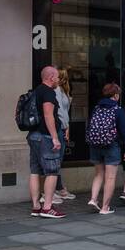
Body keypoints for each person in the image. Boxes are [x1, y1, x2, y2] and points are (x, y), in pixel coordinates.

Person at [86, 82, 125, 215]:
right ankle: (105, 207)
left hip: (95, 144)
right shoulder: (118, 110)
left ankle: (93, 199)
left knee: (98, 174)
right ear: (116, 95)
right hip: (112, 145)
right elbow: (124, 132)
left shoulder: (97, 108)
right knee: (110, 177)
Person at [28, 66, 65, 218]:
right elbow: (48, 115)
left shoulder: (36, 91)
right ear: (50, 77)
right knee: (52, 171)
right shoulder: (48, 92)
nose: (58, 80)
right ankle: (47, 207)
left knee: (35, 171)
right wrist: (55, 137)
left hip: (34, 135)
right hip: (45, 137)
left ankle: (36, 206)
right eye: (57, 77)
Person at [52, 66, 77, 203]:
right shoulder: (57, 90)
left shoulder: (62, 90)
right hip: (59, 128)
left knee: (58, 160)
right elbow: (61, 112)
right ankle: (55, 189)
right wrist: (66, 127)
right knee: (56, 160)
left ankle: (59, 188)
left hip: (62, 127)